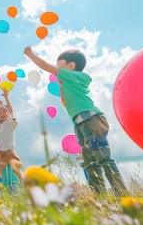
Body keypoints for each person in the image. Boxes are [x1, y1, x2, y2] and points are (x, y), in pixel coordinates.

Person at [24, 46, 127, 196]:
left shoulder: (72, 75)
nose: (57, 70)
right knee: (90, 163)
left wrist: (31, 55)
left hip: (91, 120)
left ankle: (121, 193)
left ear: (71, 66)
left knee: (103, 158)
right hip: (80, 123)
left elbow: (46, 67)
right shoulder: (69, 80)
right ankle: (101, 196)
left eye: (59, 66)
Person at [0, 87, 23, 184]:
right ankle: (2, 189)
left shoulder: (10, 123)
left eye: (4, 112)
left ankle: (24, 186)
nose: (2, 114)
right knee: (0, 175)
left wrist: (6, 97)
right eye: (0, 112)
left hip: (10, 151)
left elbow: (10, 111)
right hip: (0, 153)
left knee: (18, 172)